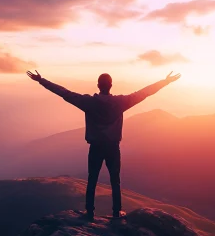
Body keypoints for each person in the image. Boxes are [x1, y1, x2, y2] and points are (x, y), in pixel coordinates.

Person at [27, 70, 181, 220]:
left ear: (98, 85)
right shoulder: (120, 102)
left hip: (95, 147)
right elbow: (144, 93)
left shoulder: (88, 102)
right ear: (111, 85)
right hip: (113, 147)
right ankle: (116, 212)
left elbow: (64, 93)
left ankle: (89, 212)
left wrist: (41, 80)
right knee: (115, 179)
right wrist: (165, 81)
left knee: (92, 178)